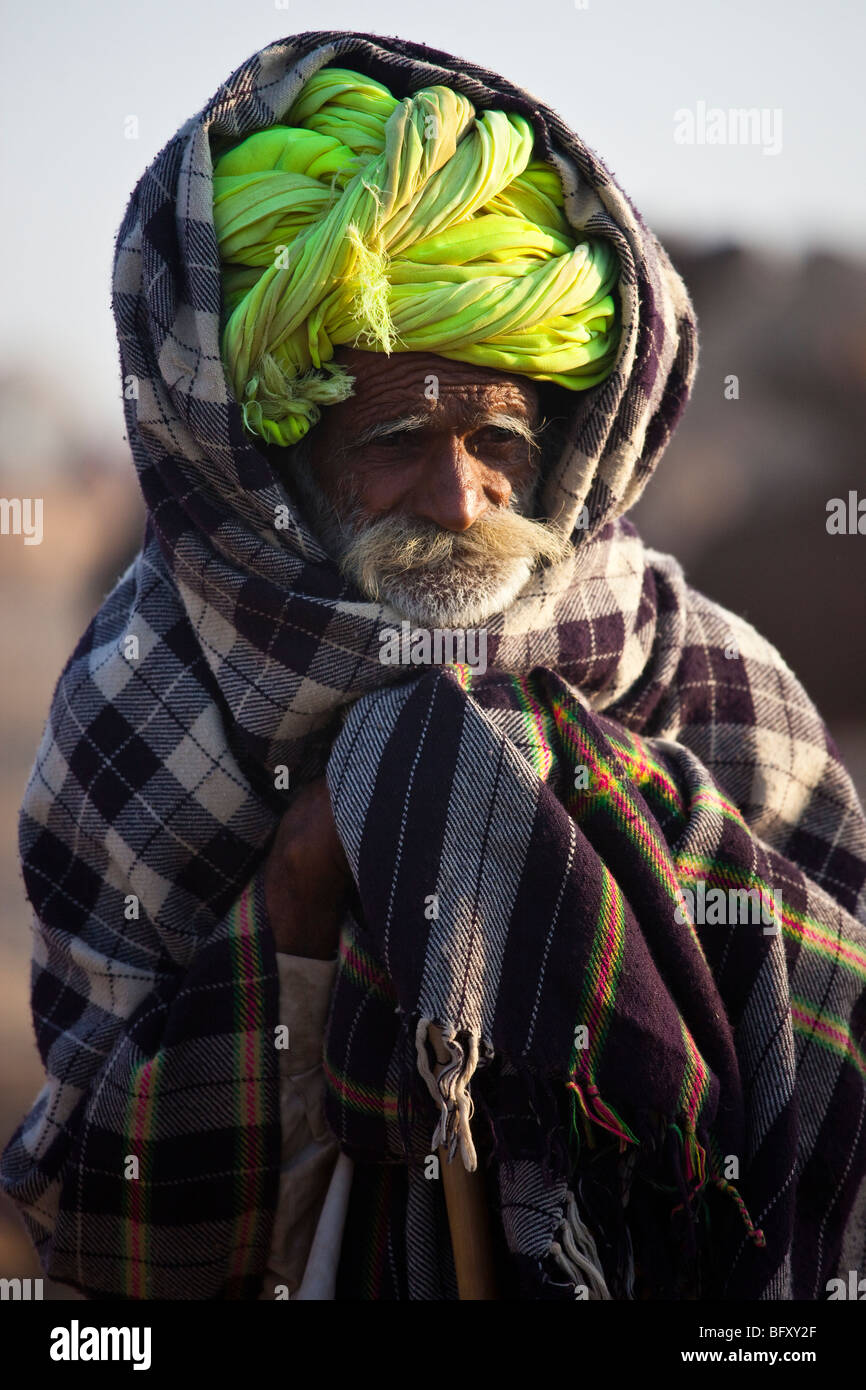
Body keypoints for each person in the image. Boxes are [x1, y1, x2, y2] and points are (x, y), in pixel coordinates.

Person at [2, 31, 865, 1303]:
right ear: (280, 458)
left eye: (497, 437)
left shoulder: (700, 677)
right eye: (398, 439)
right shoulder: (140, 715)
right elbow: (112, 1230)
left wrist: (579, 815)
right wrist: (295, 902)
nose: (460, 499)